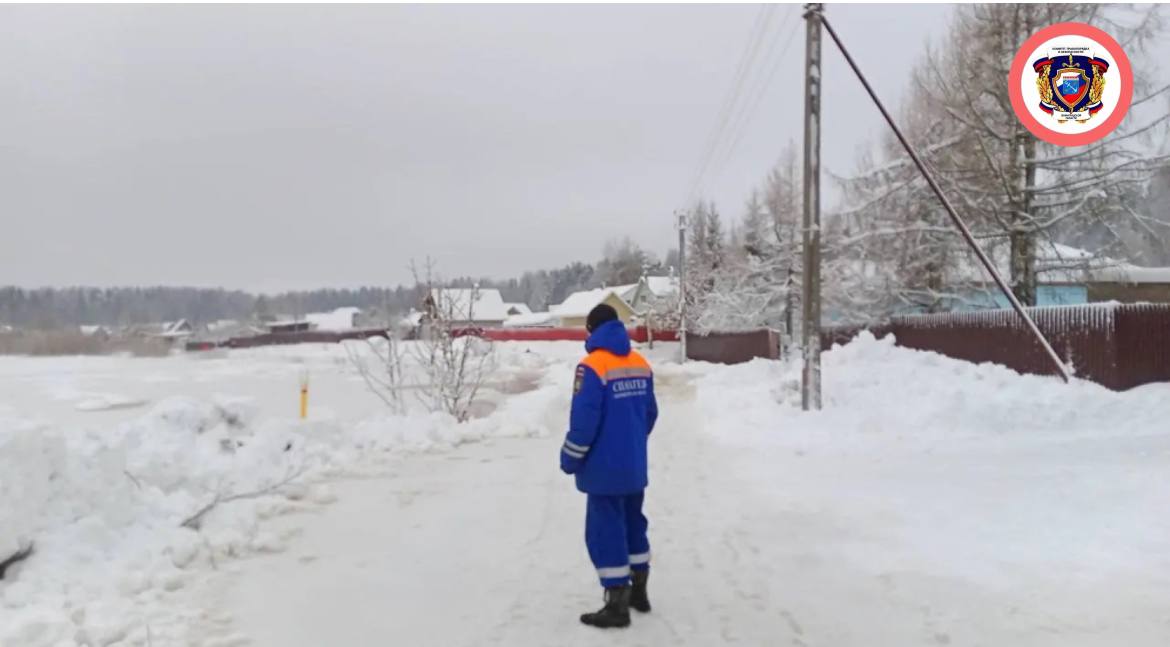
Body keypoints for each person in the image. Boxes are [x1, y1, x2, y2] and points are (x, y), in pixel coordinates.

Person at [560, 304, 658, 629]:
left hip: (603, 469)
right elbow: (650, 414)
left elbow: (584, 423)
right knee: (634, 523)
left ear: (591, 330)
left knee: (606, 531)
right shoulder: (640, 363)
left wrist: (570, 457)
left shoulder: (591, 366)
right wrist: (630, 443)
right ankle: (639, 592)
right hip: (633, 465)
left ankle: (616, 605)